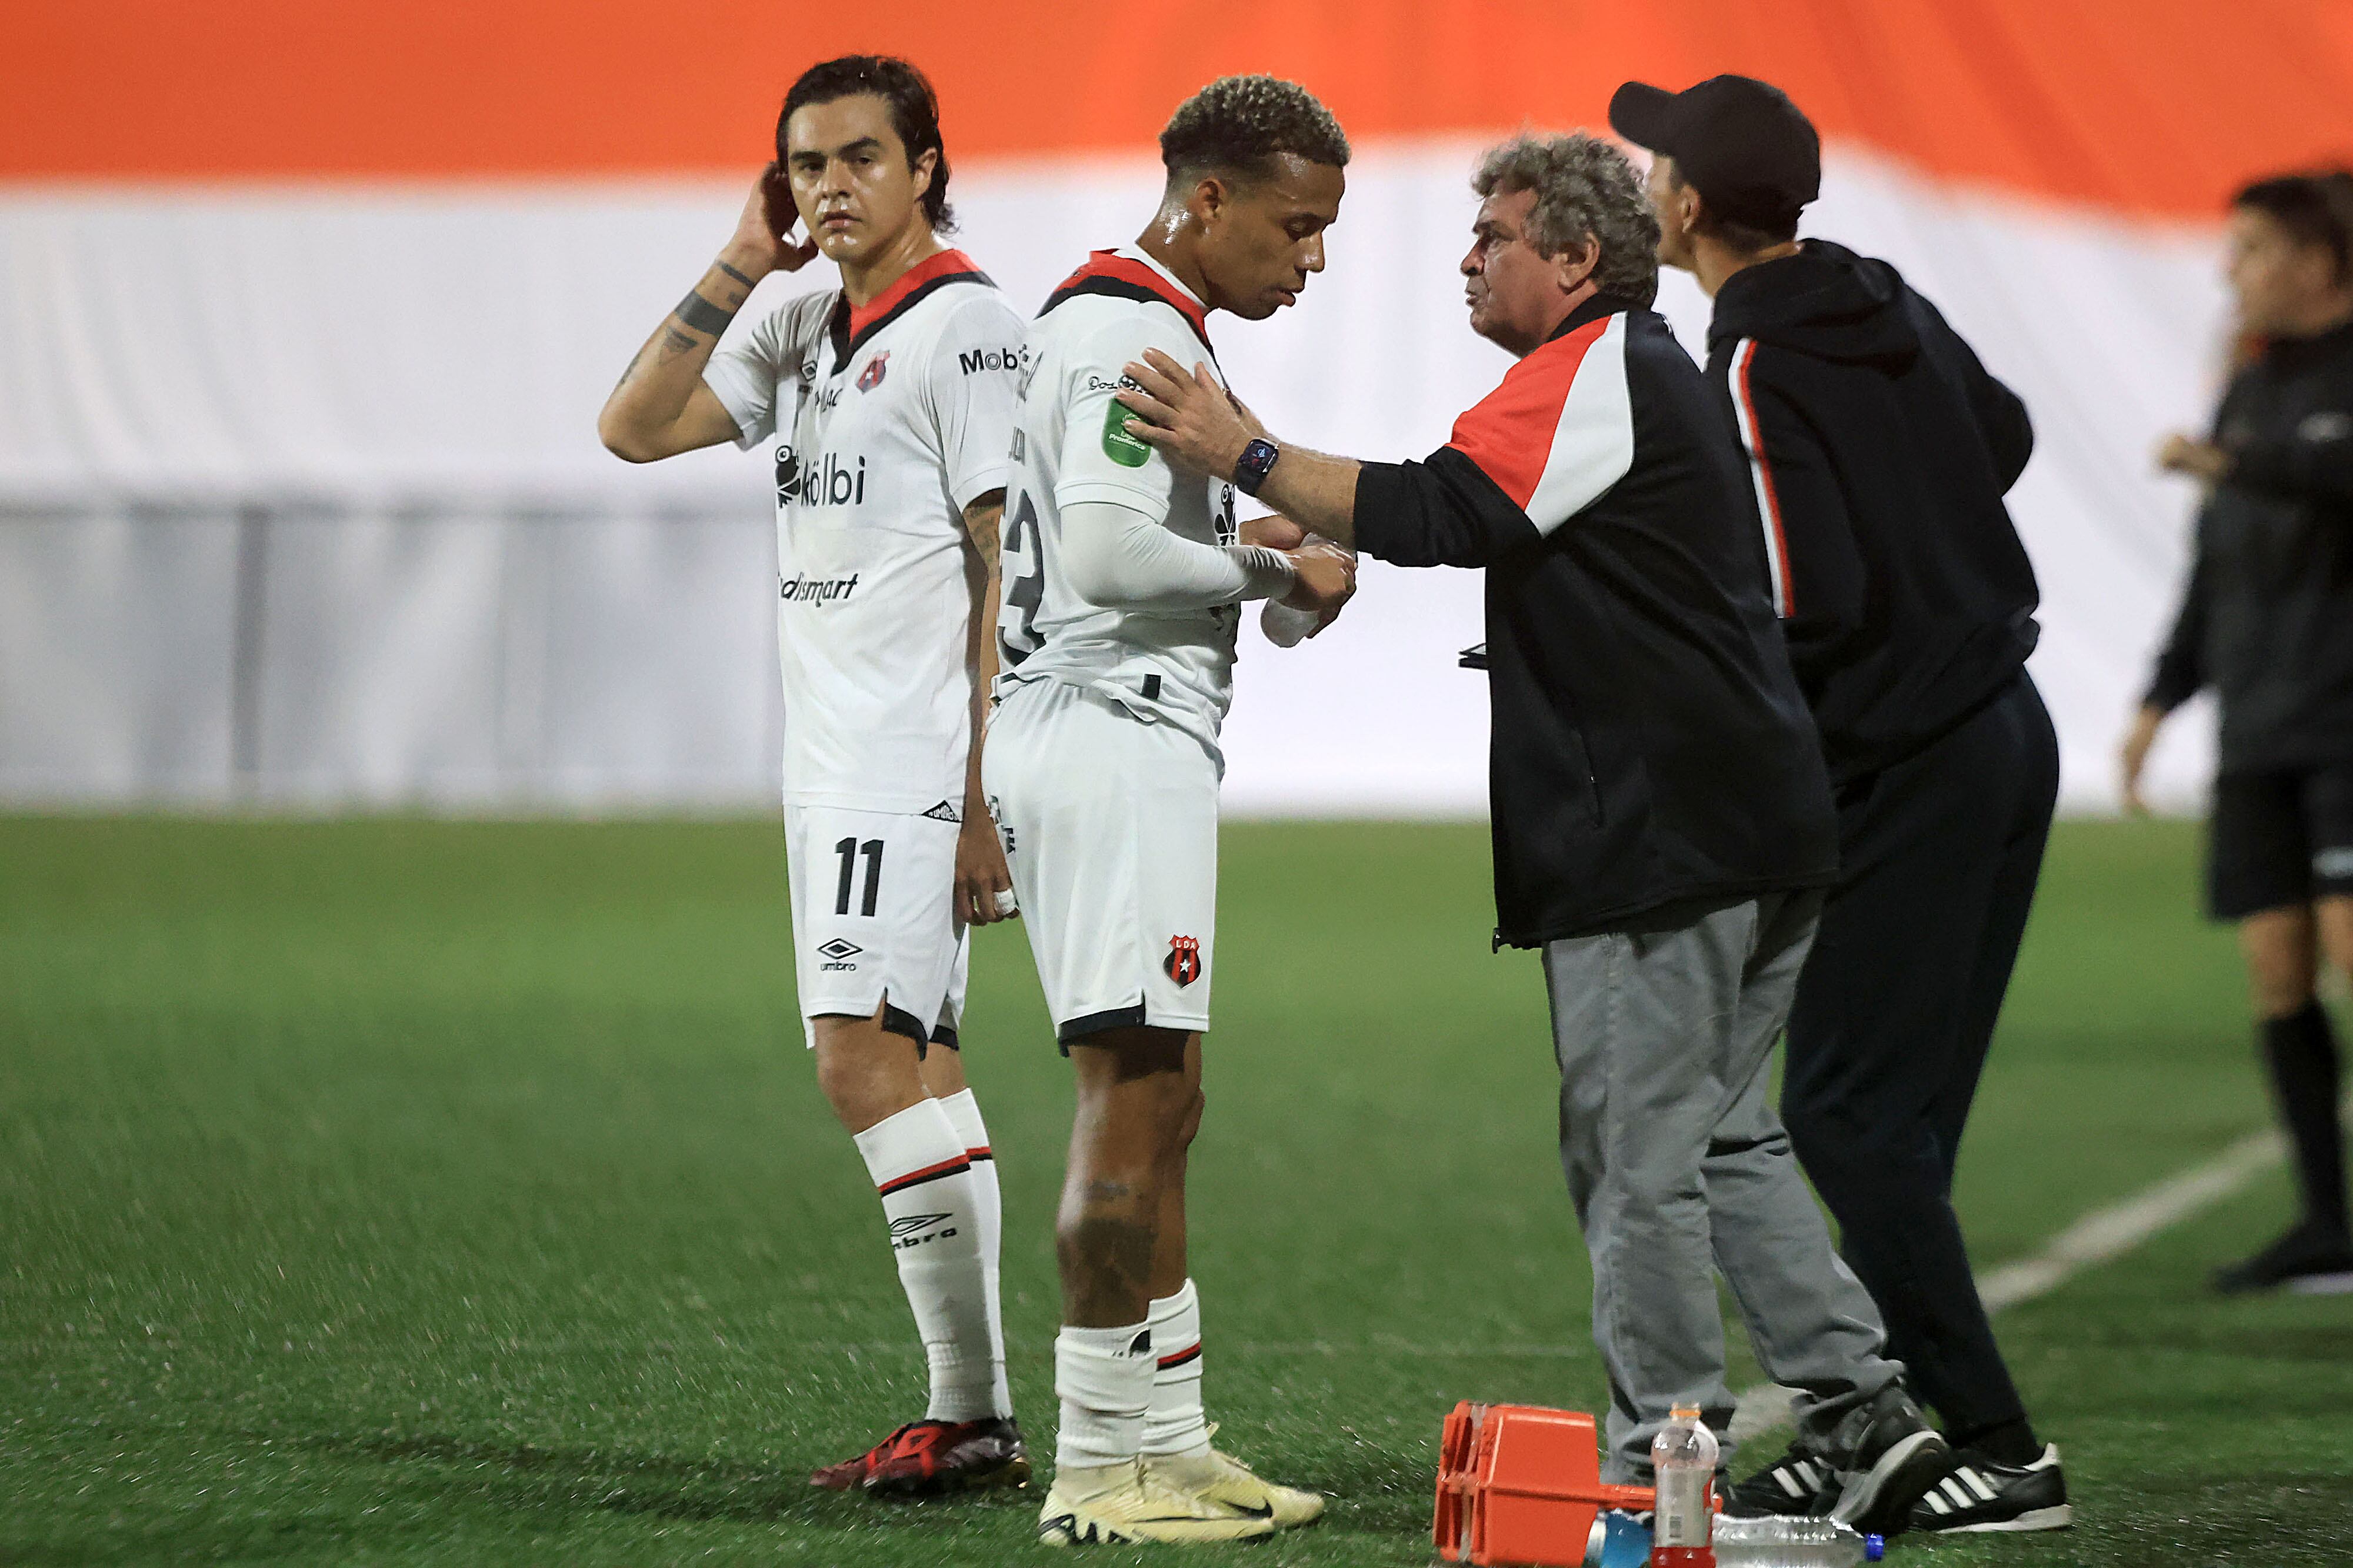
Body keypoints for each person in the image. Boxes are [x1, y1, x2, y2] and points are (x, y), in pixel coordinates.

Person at [1115, 130, 1949, 1539]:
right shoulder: (1621, 372)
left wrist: (1237, 446)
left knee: (1635, 1154)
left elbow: (1443, 511)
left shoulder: (1598, 362)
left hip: (1671, 839)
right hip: (1748, 823)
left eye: (1492, 235)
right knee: (1717, 1140)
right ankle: (1863, 1415)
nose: (1465, 255)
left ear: (1573, 260)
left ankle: (1656, 1469)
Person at [1612, 76, 2071, 1534]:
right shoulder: (1877, 291)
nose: (1642, 179)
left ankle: (1997, 1448)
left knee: (1845, 1115)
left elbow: (1808, 594)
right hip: (2004, 723)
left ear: (1685, 203)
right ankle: (1870, 1426)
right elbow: (1995, 435)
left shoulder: (1742, 350)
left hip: (1912, 759)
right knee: (1896, 1119)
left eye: (1654, 162)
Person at [596, 55, 1030, 1495]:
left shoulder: (964, 330)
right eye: (803, 167)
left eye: (857, 159)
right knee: (921, 1066)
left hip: (908, 765)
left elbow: (1001, 565)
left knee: (856, 1065)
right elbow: (635, 426)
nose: (827, 187)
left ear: (924, 167)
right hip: (835, 761)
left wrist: (979, 794)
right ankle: (976, 1409)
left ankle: (966, 1407)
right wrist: (738, 257)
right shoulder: (796, 325)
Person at [982, 74, 1355, 1547]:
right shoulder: (1129, 328)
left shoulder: (1139, 322)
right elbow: (1106, 562)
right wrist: (1272, 570)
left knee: (1169, 1095)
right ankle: (1095, 1470)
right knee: (1130, 1098)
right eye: (1294, 226)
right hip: (1105, 739)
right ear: (1207, 201)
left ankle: (1171, 1441)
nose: (1308, 260)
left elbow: (1143, 544)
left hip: (1119, 735)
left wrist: (1253, 545)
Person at [2124, 169, 2353, 1296]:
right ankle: (2326, 1221)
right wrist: (2161, 696)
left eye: (2254, 249)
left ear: (2319, 260)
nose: (2233, 271)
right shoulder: (2250, 388)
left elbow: (2336, 472)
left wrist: (2230, 459)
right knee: (2278, 973)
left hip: (2348, 722)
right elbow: (2216, 566)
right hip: (2262, 724)